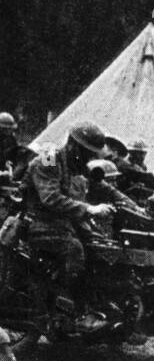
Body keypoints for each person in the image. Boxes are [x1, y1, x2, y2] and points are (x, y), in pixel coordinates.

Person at [21, 122, 115, 330]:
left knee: (101, 248)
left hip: (60, 222)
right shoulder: (49, 159)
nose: (90, 159)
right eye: (87, 153)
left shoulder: (75, 165)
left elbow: (104, 187)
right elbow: (50, 197)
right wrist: (89, 209)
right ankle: (62, 307)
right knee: (74, 250)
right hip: (37, 221)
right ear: (73, 145)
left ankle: (98, 309)